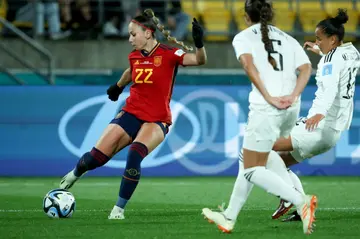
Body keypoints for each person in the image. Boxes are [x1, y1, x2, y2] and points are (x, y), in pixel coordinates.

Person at [59, 8, 207, 220]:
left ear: (147, 33)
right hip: (130, 113)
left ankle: (118, 210)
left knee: (134, 153)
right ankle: (75, 174)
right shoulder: (134, 56)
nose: (130, 38)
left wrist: (199, 43)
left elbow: (199, 60)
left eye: (133, 33)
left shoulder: (169, 54)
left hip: (156, 119)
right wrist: (118, 87)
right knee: (95, 158)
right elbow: (131, 71)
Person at [201, 0, 316, 235]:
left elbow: (247, 65)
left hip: (267, 108)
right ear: (270, 14)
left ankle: (298, 199)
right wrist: (293, 95)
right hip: (290, 107)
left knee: (251, 170)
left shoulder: (243, 37)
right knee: (251, 156)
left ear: (246, 16)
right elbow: (306, 69)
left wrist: (269, 97)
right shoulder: (288, 38)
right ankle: (229, 217)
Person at [270, 8, 360, 222]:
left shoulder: (330, 61)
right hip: (332, 133)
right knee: (278, 163)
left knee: (261, 148)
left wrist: (319, 113)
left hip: (318, 127)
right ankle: (303, 207)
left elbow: (329, 89)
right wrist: (319, 51)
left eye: (320, 39)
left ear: (333, 39)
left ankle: (290, 197)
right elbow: (341, 63)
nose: (316, 42)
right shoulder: (352, 53)